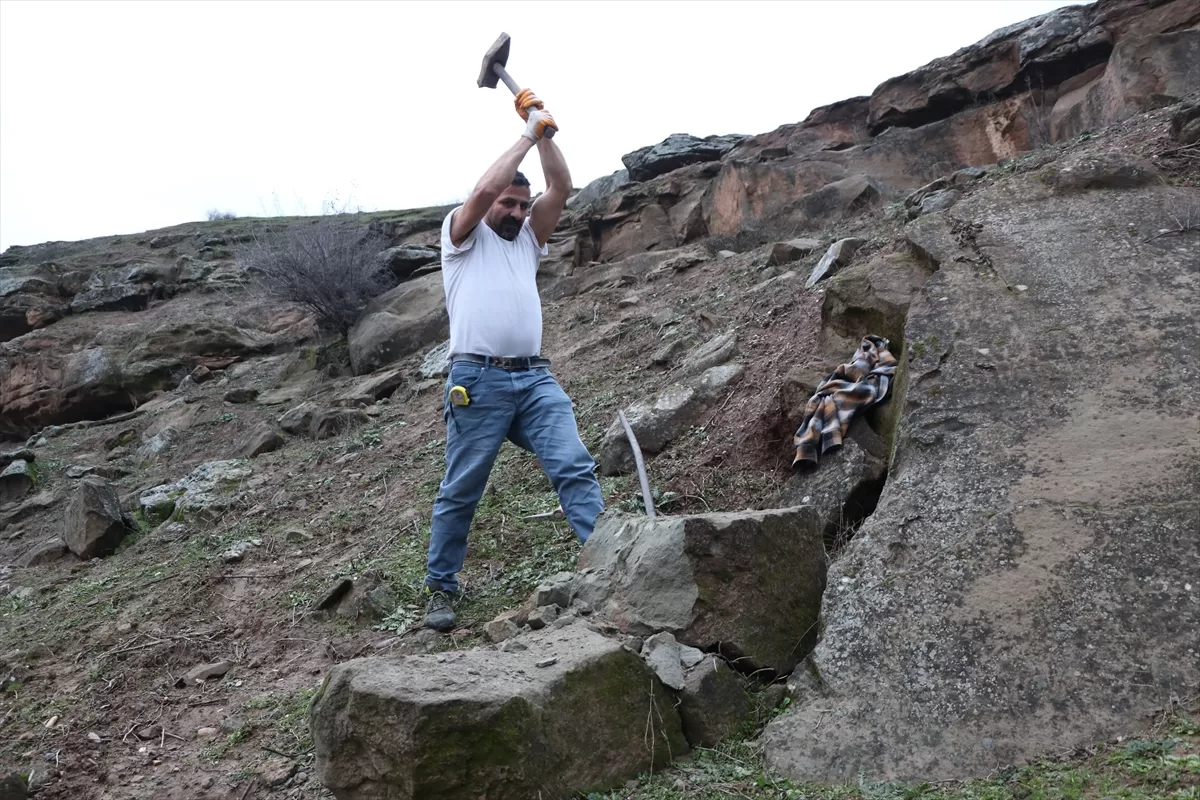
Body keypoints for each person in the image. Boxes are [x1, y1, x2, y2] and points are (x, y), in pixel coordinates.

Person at [422, 89, 605, 632]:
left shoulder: (527, 241)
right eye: (510, 204)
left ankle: (609, 561)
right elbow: (481, 188)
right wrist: (526, 131)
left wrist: (546, 133)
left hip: (534, 378)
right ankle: (441, 589)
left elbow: (563, 188)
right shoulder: (461, 236)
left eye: (523, 206)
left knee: (573, 464)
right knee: (463, 488)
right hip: (477, 382)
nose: (518, 212)